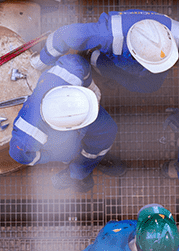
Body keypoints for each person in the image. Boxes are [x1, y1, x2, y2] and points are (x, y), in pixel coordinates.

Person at [35, 9, 179, 93]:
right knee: (105, 67)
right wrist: (42, 61)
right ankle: (94, 61)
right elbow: (63, 35)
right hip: (111, 60)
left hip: (143, 68)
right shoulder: (107, 34)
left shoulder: (177, 36)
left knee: (148, 86)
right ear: (135, 53)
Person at [9, 54, 125, 193]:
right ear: (63, 127)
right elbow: (20, 155)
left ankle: (83, 168)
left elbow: (80, 63)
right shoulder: (27, 135)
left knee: (107, 130)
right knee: (68, 153)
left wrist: (90, 88)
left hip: (85, 109)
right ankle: (73, 172)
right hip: (61, 143)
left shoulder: (71, 69)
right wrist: (50, 156)